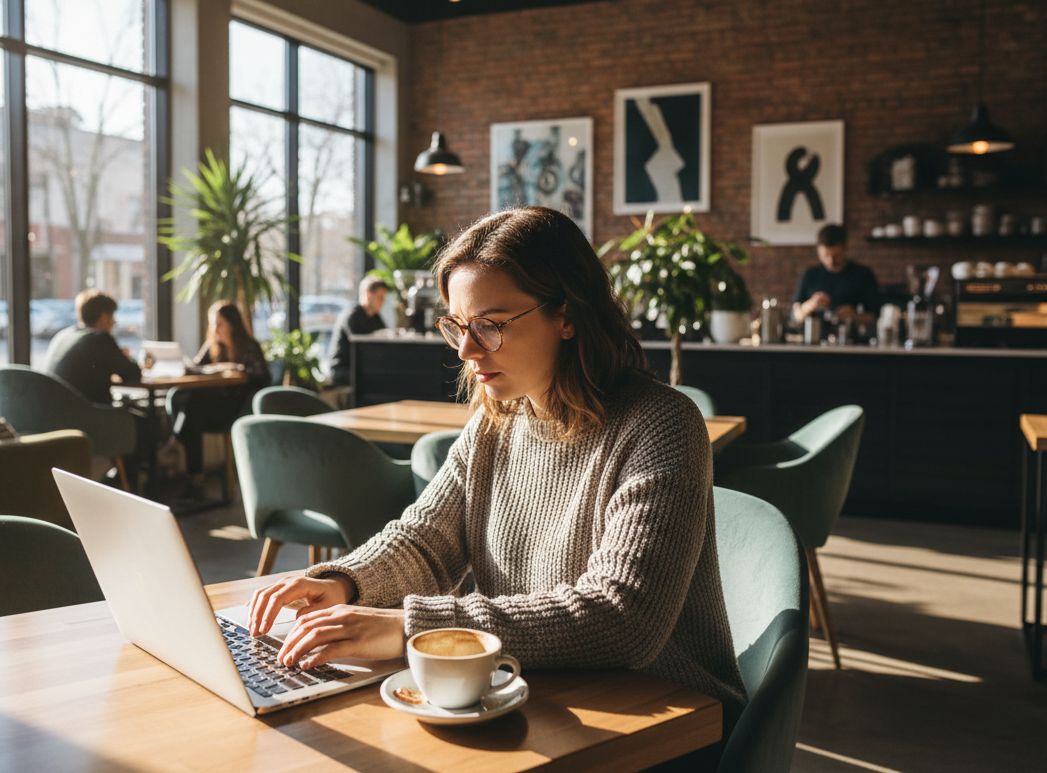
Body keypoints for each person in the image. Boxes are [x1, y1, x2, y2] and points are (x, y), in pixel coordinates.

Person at [246, 206, 747, 744]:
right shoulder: (496, 421)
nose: (466, 350)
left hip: (666, 718)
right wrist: (346, 581)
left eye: (489, 325)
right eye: (458, 326)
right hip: (535, 693)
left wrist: (409, 629)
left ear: (568, 315)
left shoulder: (662, 424)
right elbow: (426, 542)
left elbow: (622, 619)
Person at [164, 300, 270, 491]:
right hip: (211, 407)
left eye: (219, 323)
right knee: (187, 406)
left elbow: (262, 376)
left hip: (237, 407)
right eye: (212, 323)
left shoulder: (249, 346)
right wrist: (217, 368)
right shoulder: (213, 346)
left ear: (233, 324)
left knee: (193, 407)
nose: (214, 328)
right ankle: (194, 479)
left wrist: (238, 370)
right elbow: (194, 368)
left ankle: (178, 448)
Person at [43, 289, 141, 405]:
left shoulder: (63, 335)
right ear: (104, 317)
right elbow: (134, 375)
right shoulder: (100, 339)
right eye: (112, 316)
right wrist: (125, 356)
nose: (114, 322)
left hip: (53, 415)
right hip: (87, 415)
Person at [791, 224, 881, 326]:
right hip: (814, 338)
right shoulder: (809, 275)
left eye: (835, 256)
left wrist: (854, 316)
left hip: (851, 339)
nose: (831, 261)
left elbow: (876, 316)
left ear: (845, 247)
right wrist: (811, 304)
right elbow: (795, 316)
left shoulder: (863, 275)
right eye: (825, 256)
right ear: (818, 250)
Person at [325, 275, 391, 386]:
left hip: (357, 368)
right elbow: (362, 349)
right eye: (380, 297)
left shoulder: (375, 317)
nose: (383, 302)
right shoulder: (352, 316)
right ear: (369, 294)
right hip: (341, 370)